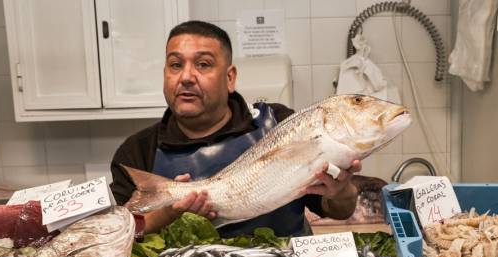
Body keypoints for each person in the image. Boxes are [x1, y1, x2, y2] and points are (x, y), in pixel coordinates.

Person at [111, 20, 361, 236]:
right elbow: (117, 234)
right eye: (176, 65)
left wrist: (341, 191)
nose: (186, 76)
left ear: (229, 78)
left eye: (203, 64)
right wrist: (167, 214)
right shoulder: (137, 151)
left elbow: (340, 210)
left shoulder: (280, 125)